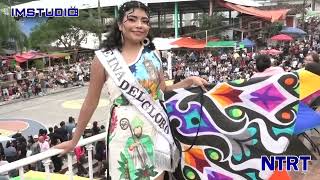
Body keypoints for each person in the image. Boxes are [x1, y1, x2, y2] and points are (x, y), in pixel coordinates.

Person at [55, 1, 208, 180]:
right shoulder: (103, 59)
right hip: (122, 135)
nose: (139, 25)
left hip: (154, 130)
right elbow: (91, 101)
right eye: (133, 19)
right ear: (120, 24)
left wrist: (188, 82)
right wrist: (75, 140)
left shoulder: (154, 54)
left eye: (144, 21)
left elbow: (162, 90)